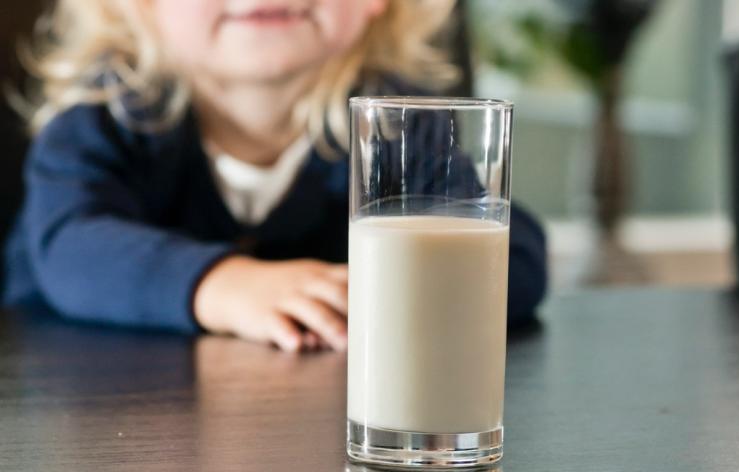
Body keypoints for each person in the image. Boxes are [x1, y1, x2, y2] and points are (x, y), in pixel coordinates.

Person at [2, 0, 547, 351]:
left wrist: (394, 292)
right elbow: (69, 244)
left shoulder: (400, 127)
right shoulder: (104, 115)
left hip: (316, 421)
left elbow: (512, 253)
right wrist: (226, 286)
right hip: (102, 409)